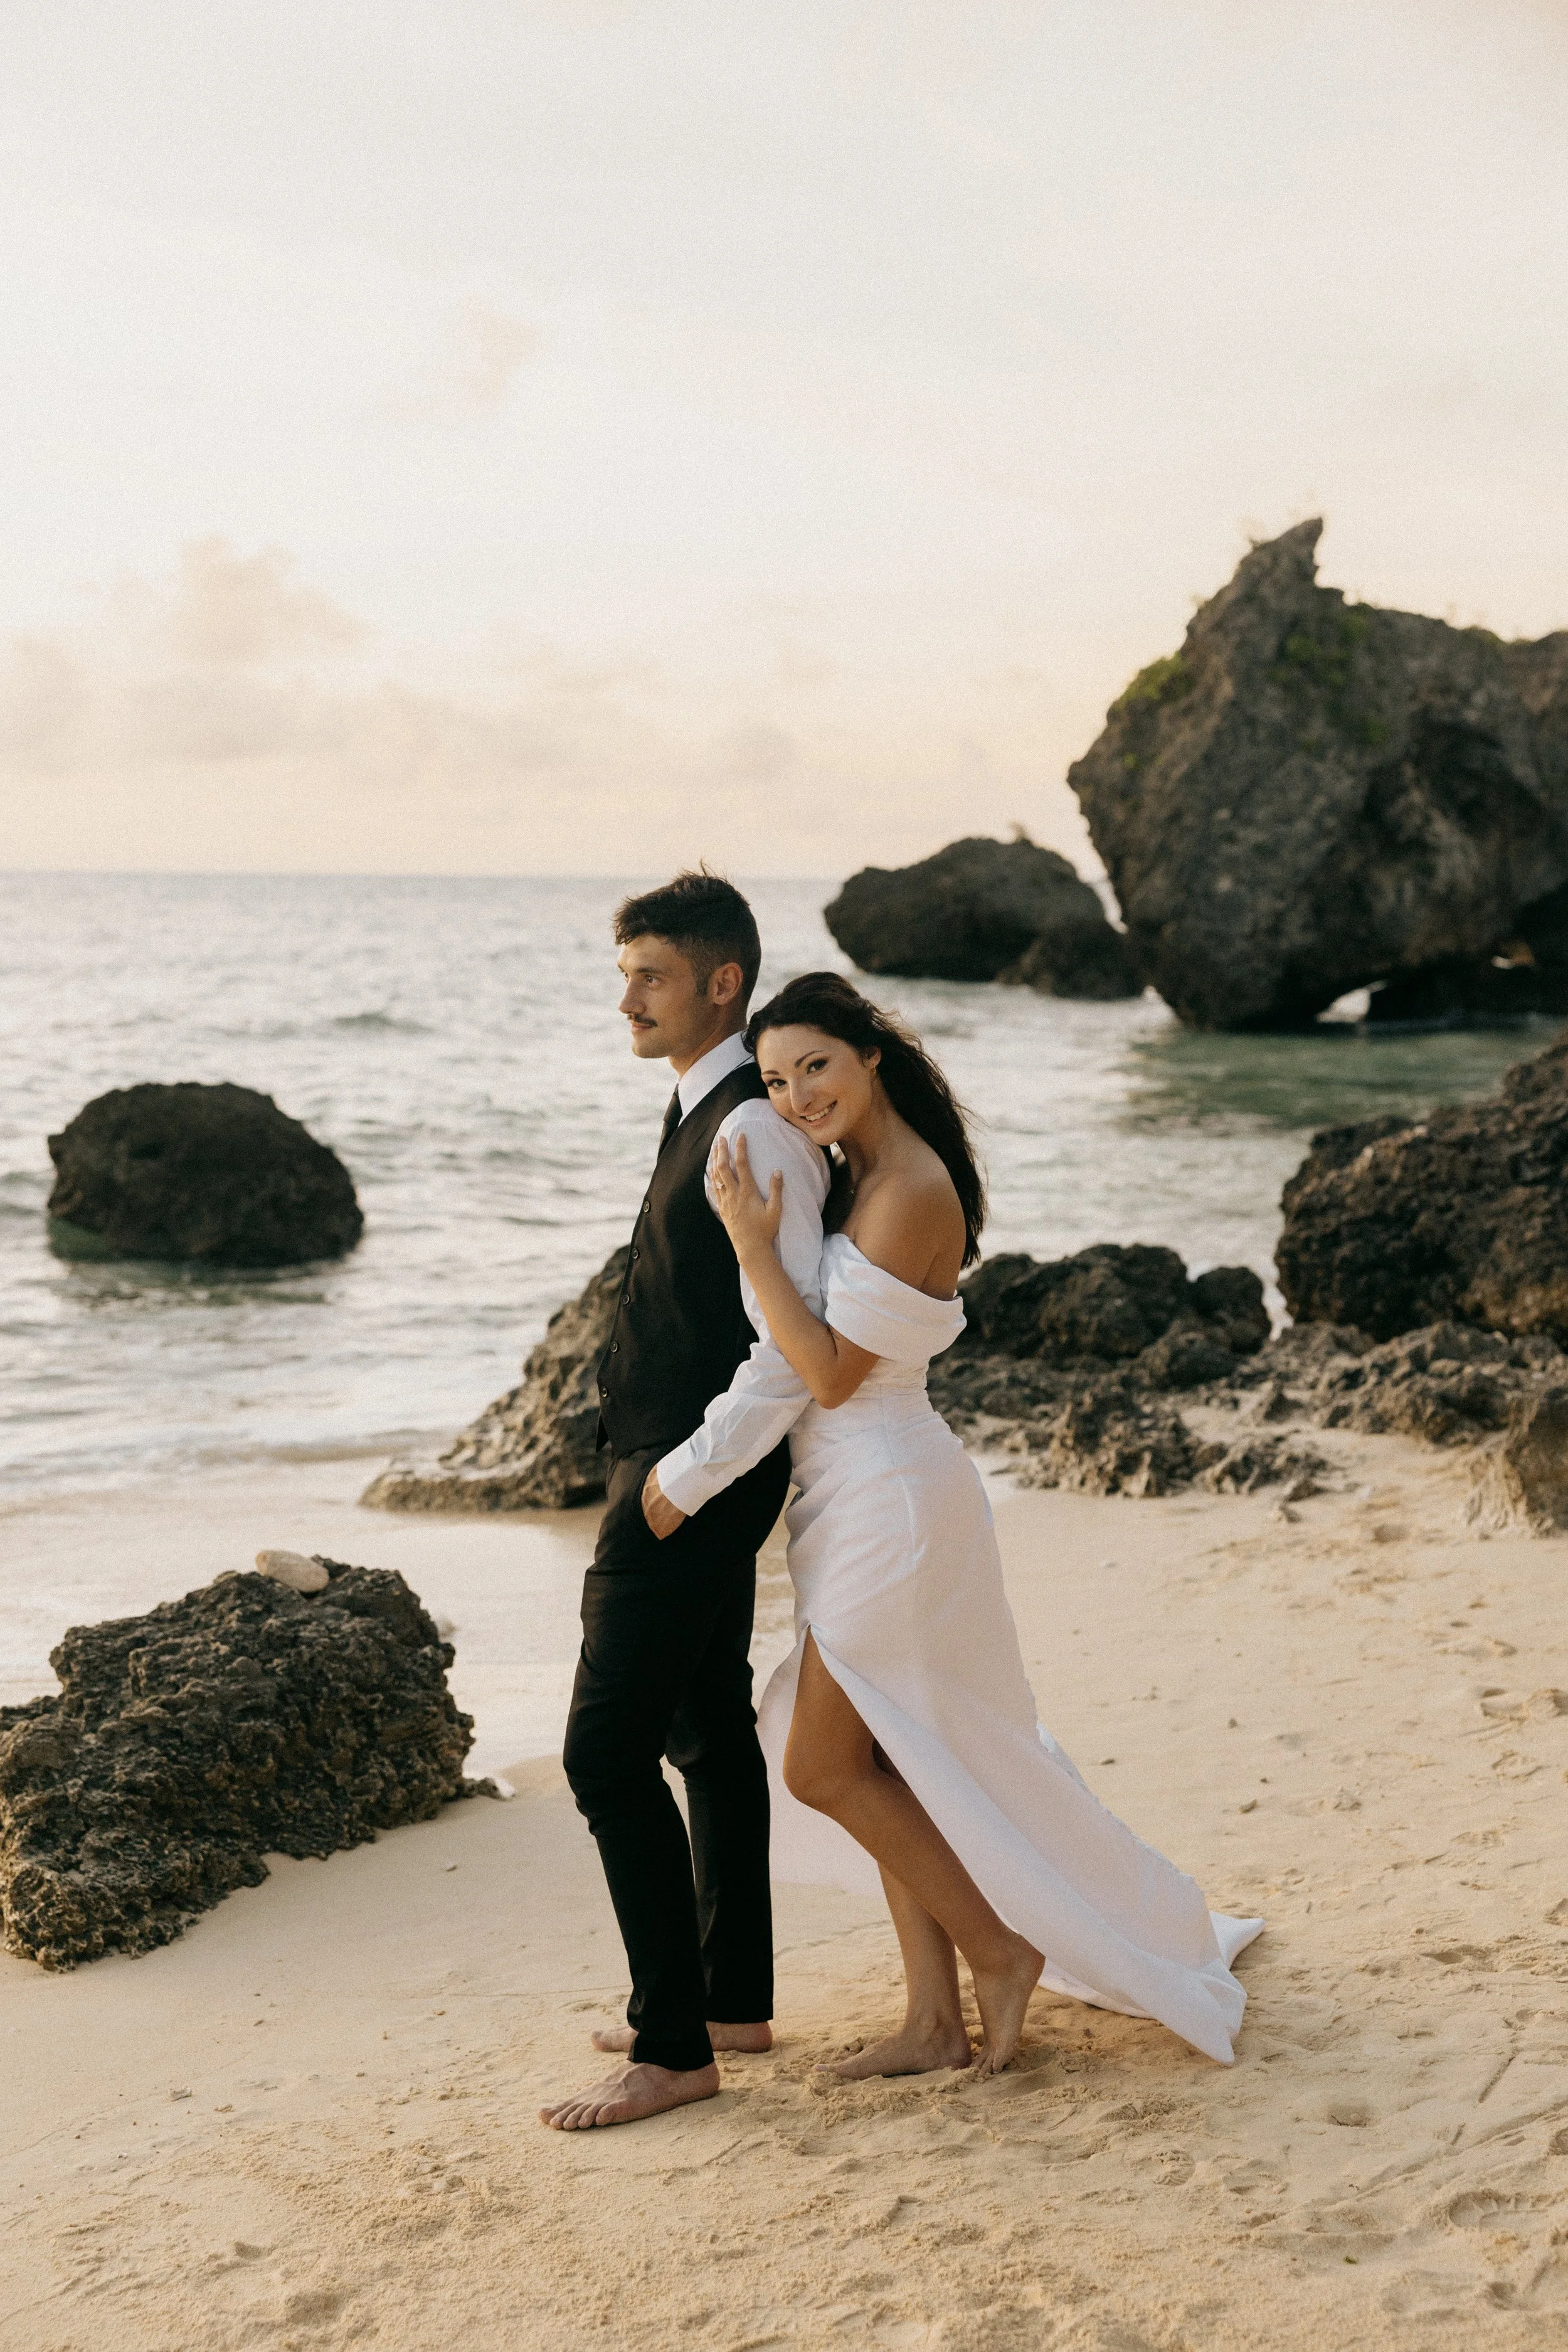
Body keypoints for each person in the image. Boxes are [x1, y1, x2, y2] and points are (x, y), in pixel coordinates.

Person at [701, 970, 1261, 2077]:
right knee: (895, 1759)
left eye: (818, 1064)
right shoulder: (852, 1172)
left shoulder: (909, 1186)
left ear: (872, 1055)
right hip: (860, 1497)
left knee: (821, 1767)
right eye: (776, 1078)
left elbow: (826, 1371)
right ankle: (933, 2019)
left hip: (892, 1503)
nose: (799, 1092)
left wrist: (754, 1248)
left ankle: (999, 1953)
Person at [539, 874, 827, 2132]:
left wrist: (676, 1480)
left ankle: (671, 2049)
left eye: (648, 977)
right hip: (678, 1462)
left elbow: (787, 1338)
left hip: (686, 1471)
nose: (625, 1002)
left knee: (602, 1752)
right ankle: (725, 2001)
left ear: (723, 982)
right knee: (706, 1723)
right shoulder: (704, 1108)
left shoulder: (751, 1130)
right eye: (623, 976)